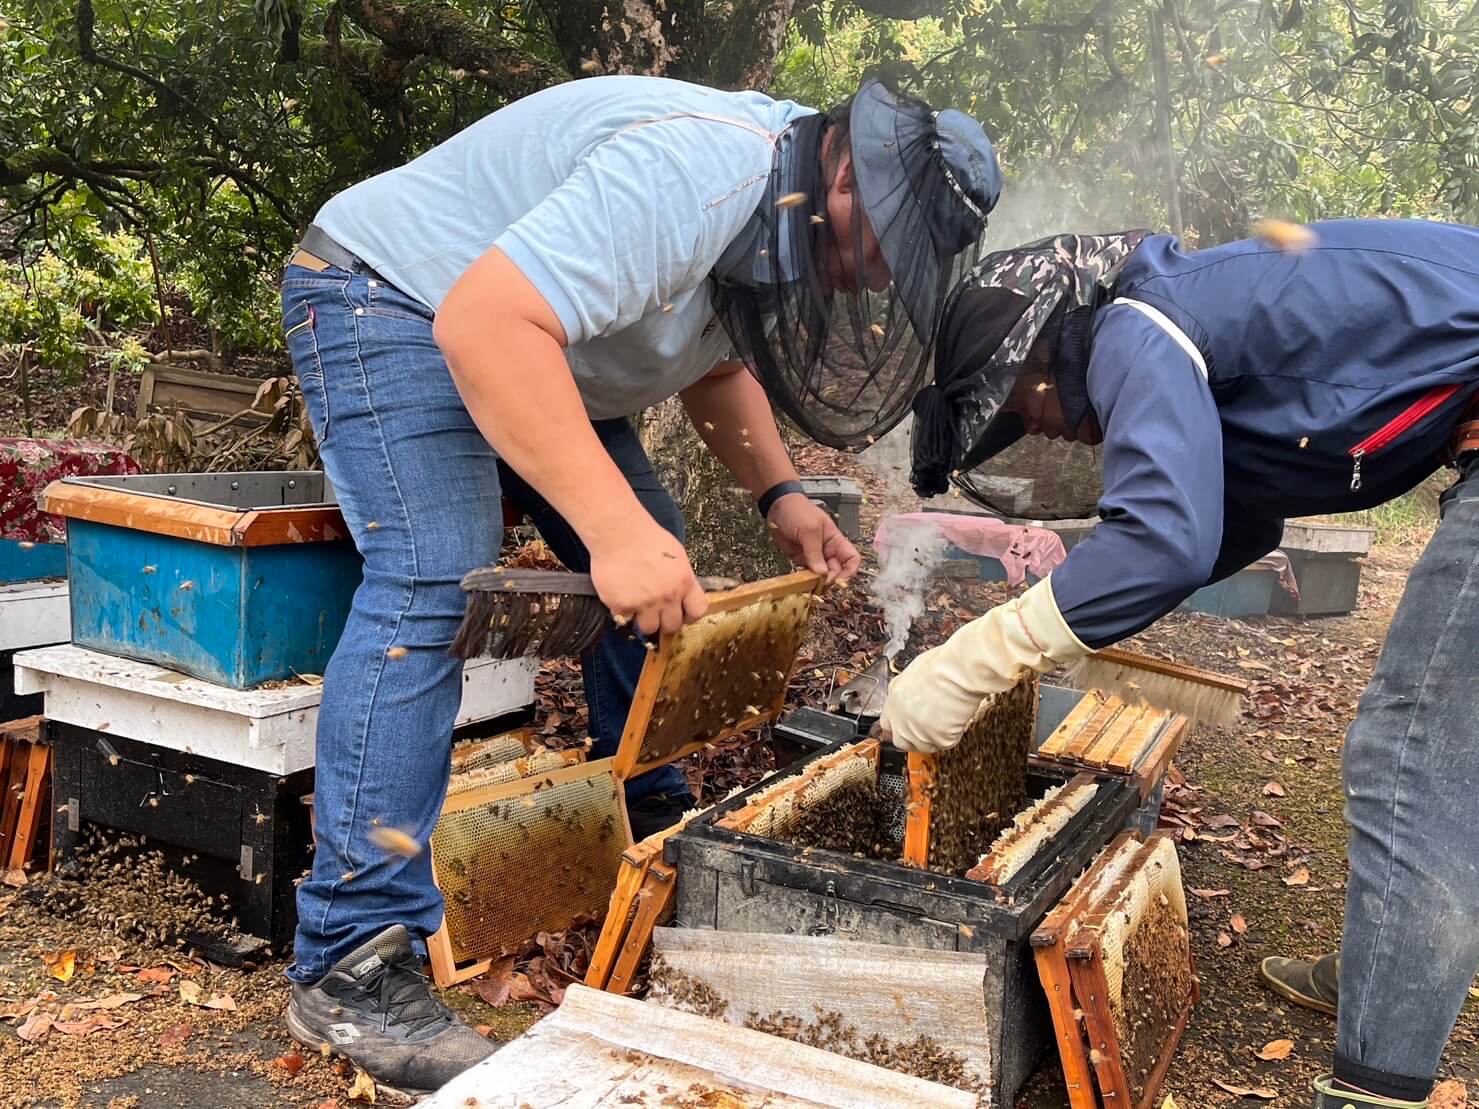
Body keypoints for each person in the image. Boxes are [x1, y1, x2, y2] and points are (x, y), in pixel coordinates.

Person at [278, 73, 1000, 1093]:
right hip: (398, 297)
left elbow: (712, 365)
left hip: (536, 343)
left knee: (660, 559)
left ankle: (654, 826)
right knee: (435, 576)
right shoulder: (693, 171)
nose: (878, 280)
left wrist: (780, 494)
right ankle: (350, 958)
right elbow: (487, 325)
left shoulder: (778, 224)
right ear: (850, 179)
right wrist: (609, 534)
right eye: (890, 250)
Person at [883, 221, 1479, 1109]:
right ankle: (1392, 967)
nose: (1044, 429)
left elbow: (1166, 540)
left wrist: (981, 653)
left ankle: (1373, 1088)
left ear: (1046, 352)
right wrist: (1085, 596)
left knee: (1408, 763)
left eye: (1024, 407)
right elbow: (1236, 521)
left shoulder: (1139, 321)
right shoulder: (1189, 311)